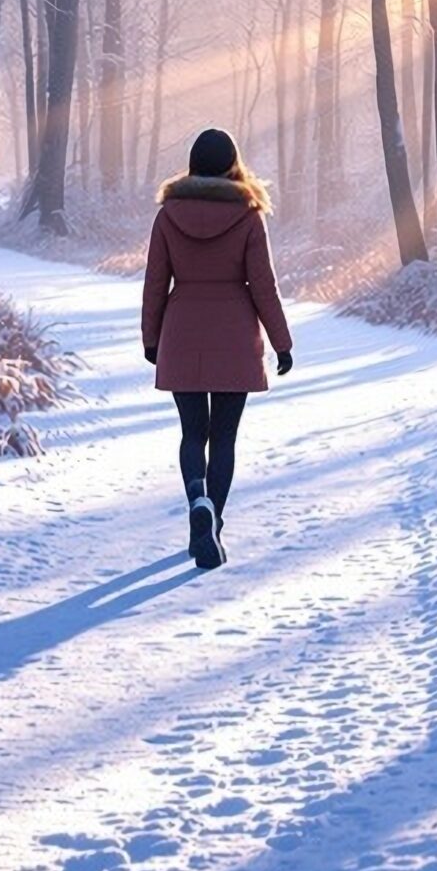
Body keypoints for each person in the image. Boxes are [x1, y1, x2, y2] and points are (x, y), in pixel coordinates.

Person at [140, 128, 295, 570]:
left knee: (193, 433)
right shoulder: (248, 215)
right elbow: (263, 286)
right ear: (233, 165)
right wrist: (281, 343)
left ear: (192, 165)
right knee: (223, 437)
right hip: (234, 336)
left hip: (182, 331)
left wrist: (151, 338)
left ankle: (198, 501)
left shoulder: (168, 215)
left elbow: (155, 283)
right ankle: (215, 522)